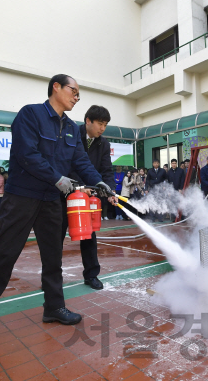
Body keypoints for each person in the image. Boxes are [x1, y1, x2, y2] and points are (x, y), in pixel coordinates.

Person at [0, 74, 111, 344]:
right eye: (74, 91)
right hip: (22, 196)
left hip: (51, 201)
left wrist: (99, 181)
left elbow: (81, 161)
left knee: (53, 257)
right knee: (4, 254)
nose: (76, 97)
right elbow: (26, 154)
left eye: (79, 94)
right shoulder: (30, 115)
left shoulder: (71, 127)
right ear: (56, 87)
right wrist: (58, 178)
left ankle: (53, 308)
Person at [66, 105, 117, 290]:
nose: (102, 129)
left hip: (87, 197)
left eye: (105, 125)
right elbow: (69, 164)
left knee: (89, 235)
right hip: (65, 191)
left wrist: (111, 191)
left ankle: (91, 275)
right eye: (100, 124)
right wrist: (79, 186)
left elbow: (106, 170)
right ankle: (50, 278)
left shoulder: (103, 144)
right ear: (88, 121)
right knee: (55, 236)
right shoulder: (71, 133)